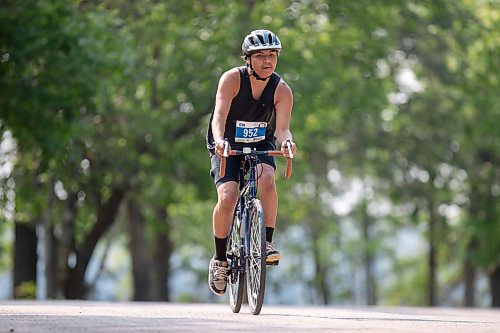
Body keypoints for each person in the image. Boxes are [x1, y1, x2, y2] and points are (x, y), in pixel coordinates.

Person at [206, 29, 297, 296]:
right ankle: (221, 260)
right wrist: (220, 140)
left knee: (267, 178)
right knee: (228, 195)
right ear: (248, 59)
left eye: (272, 55)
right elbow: (218, 116)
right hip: (227, 144)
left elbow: (283, 129)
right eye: (260, 56)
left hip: (260, 144)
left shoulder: (282, 90)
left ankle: (265, 242)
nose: (267, 61)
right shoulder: (232, 79)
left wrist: (287, 142)